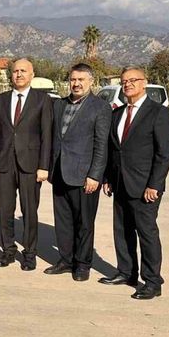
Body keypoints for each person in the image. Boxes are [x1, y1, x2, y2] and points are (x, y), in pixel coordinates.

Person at [100, 67, 169, 300]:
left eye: (133, 80)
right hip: (120, 183)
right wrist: (108, 178)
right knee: (122, 230)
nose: (128, 84)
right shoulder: (117, 113)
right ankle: (127, 272)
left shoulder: (158, 113)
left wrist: (155, 184)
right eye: (124, 81)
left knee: (146, 233)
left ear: (144, 83)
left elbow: (165, 153)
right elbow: (113, 150)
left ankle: (153, 281)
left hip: (145, 187)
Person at [45, 63, 111, 281]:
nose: (76, 83)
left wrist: (95, 175)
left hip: (84, 177)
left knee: (84, 223)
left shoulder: (100, 107)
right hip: (59, 173)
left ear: (91, 81)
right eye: (73, 79)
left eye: (81, 79)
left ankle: (82, 264)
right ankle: (66, 260)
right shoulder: (59, 105)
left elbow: (101, 145)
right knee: (63, 221)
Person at [0, 58, 53, 270]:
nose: (19, 74)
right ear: (11, 75)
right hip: (4, 164)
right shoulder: (0, 100)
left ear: (32, 75)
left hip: (30, 166)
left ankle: (30, 253)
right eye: (15, 71)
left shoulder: (42, 100)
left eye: (23, 71)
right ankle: (8, 250)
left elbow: (47, 136)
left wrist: (44, 166)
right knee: (5, 210)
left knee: (29, 211)